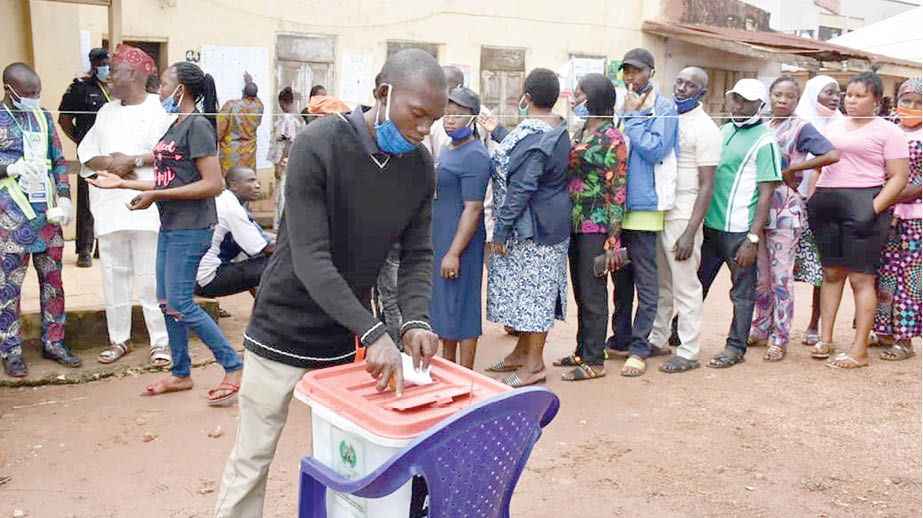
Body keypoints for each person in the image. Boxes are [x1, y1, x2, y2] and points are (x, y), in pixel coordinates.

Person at [213, 49, 444, 517]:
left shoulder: (418, 167)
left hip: (342, 339)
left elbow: (418, 253)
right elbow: (312, 258)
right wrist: (374, 331)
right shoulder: (318, 144)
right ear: (384, 94)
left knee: (346, 465)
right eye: (417, 115)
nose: (423, 130)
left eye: (432, 120)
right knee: (252, 460)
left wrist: (415, 319)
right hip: (282, 329)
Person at [88, 61, 244, 400]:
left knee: (180, 302)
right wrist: (122, 185)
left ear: (181, 89)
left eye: (165, 83)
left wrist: (155, 194)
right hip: (172, 224)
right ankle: (180, 373)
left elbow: (213, 184)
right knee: (165, 302)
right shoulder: (177, 124)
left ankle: (233, 365)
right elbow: (168, 179)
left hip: (193, 227)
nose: (159, 89)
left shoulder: (199, 126)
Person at [76, 44, 172, 367]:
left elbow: (172, 156)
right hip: (109, 206)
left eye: (114, 70)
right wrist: (112, 163)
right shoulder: (106, 111)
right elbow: (86, 153)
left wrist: (134, 161)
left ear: (133, 74)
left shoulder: (161, 111)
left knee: (150, 280)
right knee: (113, 276)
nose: (108, 76)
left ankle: (161, 342)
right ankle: (120, 339)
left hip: (146, 208)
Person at [808, 71, 910, 369]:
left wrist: (873, 208)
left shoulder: (889, 131)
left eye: (859, 95)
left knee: (861, 278)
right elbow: (820, 165)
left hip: (864, 203)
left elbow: (899, 177)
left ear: (876, 100)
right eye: (848, 95)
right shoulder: (834, 127)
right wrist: (813, 197)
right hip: (827, 205)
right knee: (830, 274)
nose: (850, 101)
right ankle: (825, 339)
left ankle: (859, 349)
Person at [480, 68, 571, 388]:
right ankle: (521, 352)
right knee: (528, 293)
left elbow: (523, 184)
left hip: (536, 229)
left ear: (526, 97)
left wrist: (502, 229)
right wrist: (499, 131)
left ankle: (534, 365)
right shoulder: (554, 127)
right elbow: (525, 154)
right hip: (547, 223)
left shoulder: (538, 135)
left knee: (535, 296)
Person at [747, 76, 840, 362]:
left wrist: (798, 167)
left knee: (781, 275)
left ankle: (780, 336)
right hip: (757, 206)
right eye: (777, 94)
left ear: (797, 100)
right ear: (769, 96)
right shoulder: (760, 126)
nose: (782, 100)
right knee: (760, 275)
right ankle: (760, 327)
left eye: (789, 96)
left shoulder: (801, 127)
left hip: (785, 207)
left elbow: (832, 154)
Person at [0, 62, 79, 377]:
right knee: (9, 286)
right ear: (10, 89)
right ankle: (11, 349)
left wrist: (65, 198)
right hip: (11, 218)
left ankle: (55, 342)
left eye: (38, 92)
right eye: (28, 93)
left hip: (47, 216)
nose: (35, 97)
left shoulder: (44, 117)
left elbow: (58, 160)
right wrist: (10, 168)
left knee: (54, 283)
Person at [698, 78, 782, 369]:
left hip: (740, 231)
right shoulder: (723, 130)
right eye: (734, 98)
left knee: (742, 292)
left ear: (760, 105)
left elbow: (767, 193)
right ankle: (679, 334)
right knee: (697, 284)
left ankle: (736, 347)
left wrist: (753, 238)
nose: (737, 105)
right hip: (711, 226)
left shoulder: (766, 140)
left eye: (744, 100)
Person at [608, 48, 679, 377]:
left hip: (646, 207)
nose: (630, 77)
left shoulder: (663, 108)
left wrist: (634, 117)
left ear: (651, 72)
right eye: (626, 72)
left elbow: (655, 150)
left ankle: (640, 347)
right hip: (619, 207)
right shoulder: (623, 105)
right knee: (620, 281)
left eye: (636, 71)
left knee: (646, 283)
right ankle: (620, 340)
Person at [552, 73, 628, 381]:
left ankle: (595, 360)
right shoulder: (581, 130)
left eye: (581, 94)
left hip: (596, 226)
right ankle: (582, 350)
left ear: (594, 99)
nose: (575, 99)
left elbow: (619, 189)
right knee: (581, 292)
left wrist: (613, 237)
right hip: (574, 221)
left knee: (594, 293)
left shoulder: (614, 138)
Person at [649, 67, 721, 374]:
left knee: (686, 286)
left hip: (683, 214)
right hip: (661, 208)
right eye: (679, 81)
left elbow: (707, 184)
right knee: (662, 282)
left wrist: (691, 231)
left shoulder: (706, 129)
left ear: (701, 93)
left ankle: (689, 350)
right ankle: (658, 337)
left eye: (690, 85)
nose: (681, 88)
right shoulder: (667, 117)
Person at [429, 86, 490, 370]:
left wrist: (454, 252)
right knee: (446, 305)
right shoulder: (448, 148)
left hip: (460, 240)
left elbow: (473, 207)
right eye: (447, 113)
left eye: (458, 114)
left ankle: (465, 375)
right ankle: (448, 366)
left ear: (473, 118)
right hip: (442, 235)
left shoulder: (475, 155)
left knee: (462, 305)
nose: (449, 119)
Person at [792, 75, 845, 344]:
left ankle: (814, 323)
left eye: (838, 93)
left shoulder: (843, 123)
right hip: (791, 199)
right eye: (829, 92)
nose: (836, 98)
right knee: (782, 265)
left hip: (825, 202)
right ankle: (770, 323)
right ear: (813, 94)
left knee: (821, 267)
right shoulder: (797, 120)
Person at [874, 76, 921, 361]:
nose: (911, 107)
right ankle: (883, 332)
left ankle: (904, 340)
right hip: (884, 213)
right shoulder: (887, 130)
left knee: (909, 278)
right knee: (883, 274)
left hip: (915, 218)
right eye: (906, 101)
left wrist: (890, 197)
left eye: (919, 103)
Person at [58, 47, 110, 268]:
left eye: (107, 63)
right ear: (93, 65)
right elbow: (64, 120)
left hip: (112, 152)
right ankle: (84, 249)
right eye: (101, 63)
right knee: (87, 198)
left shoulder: (115, 90)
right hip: (90, 154)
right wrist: (80, 142)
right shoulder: (80, 88)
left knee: (109, 197)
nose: (105, 67)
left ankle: (102, 246)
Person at [195, 166, 273, 298]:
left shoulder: (227, 201)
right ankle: (276, 311)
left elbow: (261, 236)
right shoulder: (232, 209)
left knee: (258, 257)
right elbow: (263, 247)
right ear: (234, 185)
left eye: (256, 181)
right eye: (251, 181)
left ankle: (266, 309)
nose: (257, 186)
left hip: (197, 277)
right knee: (282, 261)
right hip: (209, 279)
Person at [266, 86, 305, 230]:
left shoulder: (287, 119)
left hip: (284, 161)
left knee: (282, 193)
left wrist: (280, 164)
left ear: (282, 102)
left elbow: (289, 141)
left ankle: (282, 225)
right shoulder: (297, 117)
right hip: (289, 160)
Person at [216, 72, 264, 174]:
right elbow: (255, 97)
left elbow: (219, 132)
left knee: (230, 182)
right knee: (246, 182)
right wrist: (250, 83)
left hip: (231, 153)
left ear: (243, 92)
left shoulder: (230, 105)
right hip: (249, 155)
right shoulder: (259, 106)